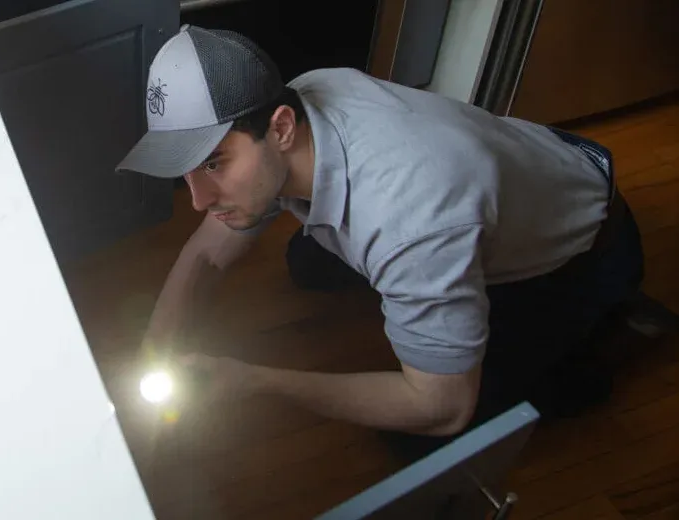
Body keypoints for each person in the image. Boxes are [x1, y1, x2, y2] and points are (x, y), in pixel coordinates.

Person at [117, 25, 643, 459]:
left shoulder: (414, 221)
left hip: (577, 254)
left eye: (214, 163)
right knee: (308, 262)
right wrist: (154, 351)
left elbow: (442, 408)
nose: (198, 200)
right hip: (524, 170)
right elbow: (208, 250)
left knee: (417, 432)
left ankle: (586, 353)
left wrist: (255, 381)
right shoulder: (301, 101)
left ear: (279, 128)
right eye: (188, 171)